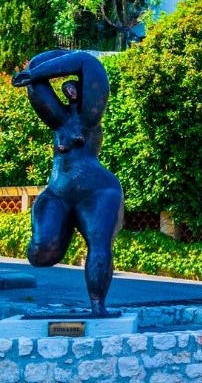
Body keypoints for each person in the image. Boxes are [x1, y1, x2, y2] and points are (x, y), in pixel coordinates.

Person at [12, 50, 124, 316]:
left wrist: (38, 73)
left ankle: (98, 307)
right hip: (59, 191)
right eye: (66, 89)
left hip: (97, 190)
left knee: (99, 245)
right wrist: (35, 72)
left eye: (75, 87)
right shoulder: (58, 119)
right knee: (41, 253)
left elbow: (86, 62)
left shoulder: (91, 116)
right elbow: (34, 74)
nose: (70, 92)